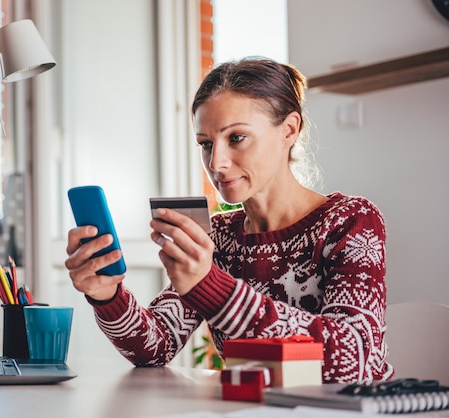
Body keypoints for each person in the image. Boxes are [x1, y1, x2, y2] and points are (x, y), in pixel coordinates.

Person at [64, 57, 393, 383]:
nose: (216, 162)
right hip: (254, 408)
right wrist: (108, 296)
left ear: (289, 130)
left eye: (236, 137)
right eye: (206, 144)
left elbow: (354, 358)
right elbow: (154, 347)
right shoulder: (220, 236)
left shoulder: (350, 221)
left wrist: (210, 286)